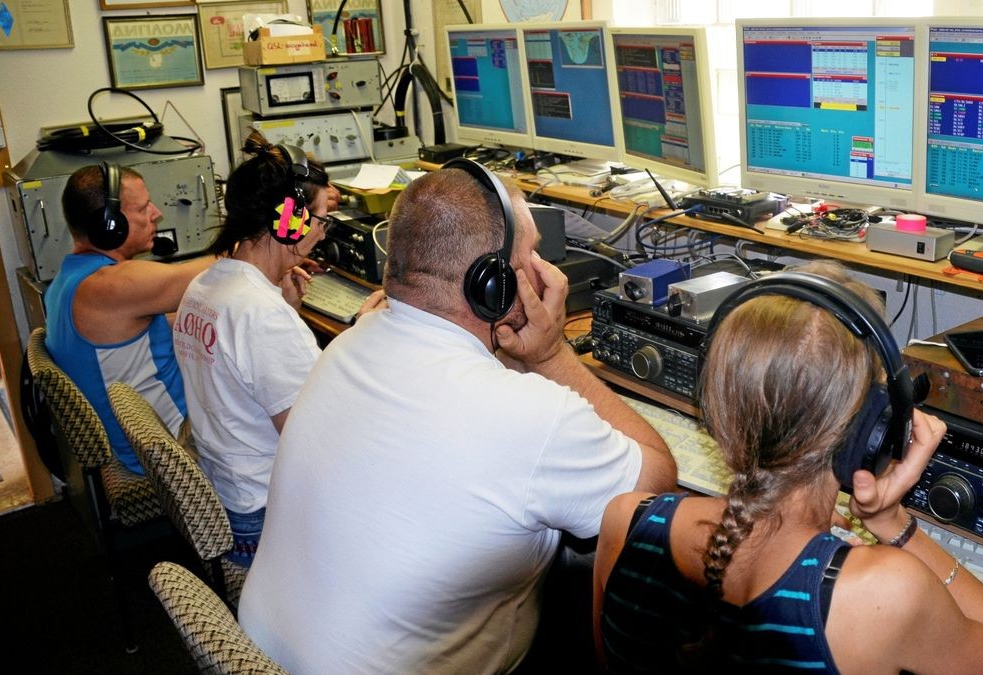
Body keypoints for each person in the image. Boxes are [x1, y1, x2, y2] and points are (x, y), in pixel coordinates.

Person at [238, 160, 678, 673]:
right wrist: (552, 356)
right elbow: (653, 485)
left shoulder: (349, 344)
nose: (546, 273)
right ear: (489, 284)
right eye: (531, 254)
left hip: (259, 652)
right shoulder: (528, 418)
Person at [593, 268, 983, 674]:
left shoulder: (627, 519)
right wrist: (894, 525)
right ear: (873, 429)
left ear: (716, 406)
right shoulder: (882, 594)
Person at [171, 133, 385, 566]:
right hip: (265, 519)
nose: (323, 232)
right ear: (289, 220)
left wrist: (286, 310)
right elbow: (317, 439)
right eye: (322, 218)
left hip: (228, 492)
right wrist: (363, 337)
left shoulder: (205, 287)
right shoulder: (260, 316)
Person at [46, 163, 216, 475]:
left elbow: (146, 334)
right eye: (143, 208)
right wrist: (292, 224)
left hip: (138, 442)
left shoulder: (67, 283)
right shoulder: (109, 285)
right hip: (172, 448)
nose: (157, 214)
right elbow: (223, 270)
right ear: (109, 225)